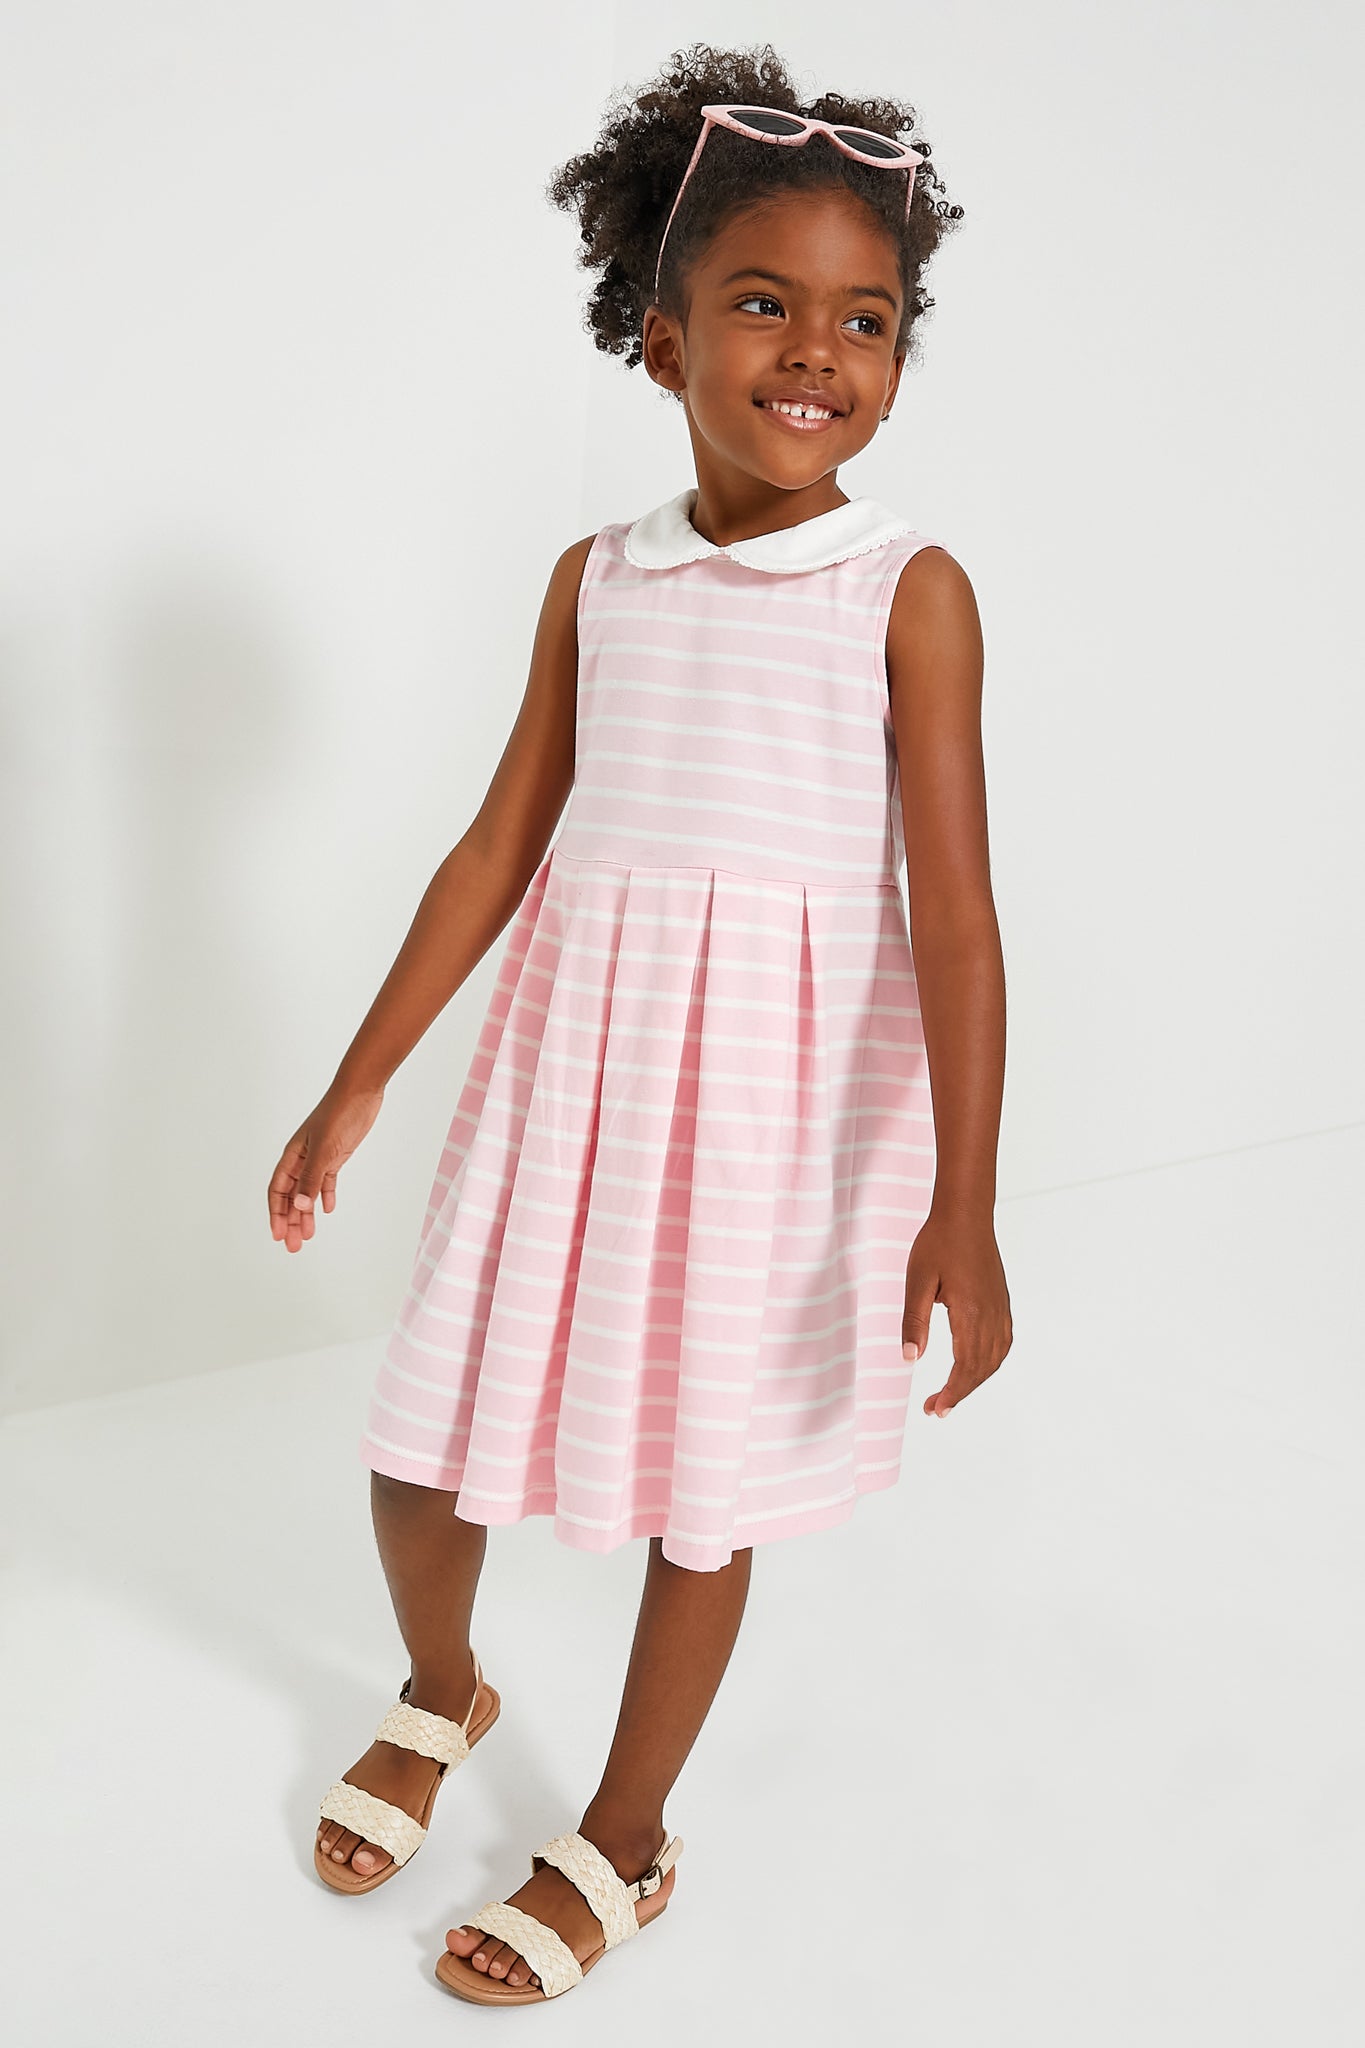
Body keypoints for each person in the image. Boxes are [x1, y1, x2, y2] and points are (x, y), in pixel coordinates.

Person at [268, 39, 1012, 2009]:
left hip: (764, 1118)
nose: (815, 350)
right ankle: (441, 1684)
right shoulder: (597, 580)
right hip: (566, 1084)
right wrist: (355, 1082)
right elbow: (498, 841)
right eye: (763, 303)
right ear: (660, 332)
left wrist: (962, 1202)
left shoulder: (905, 592)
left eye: (865, 318)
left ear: (897, 354)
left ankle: (624, 1830)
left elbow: (954, 920)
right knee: (420, 1441)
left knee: (704, 1486)